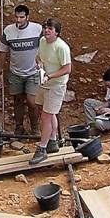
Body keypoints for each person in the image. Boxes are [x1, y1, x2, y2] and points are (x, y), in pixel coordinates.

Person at [0, 5, 43, 137]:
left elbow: (45, 46)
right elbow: (2, 51)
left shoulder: (37, 29)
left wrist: (42, 63)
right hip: (15, 72)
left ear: (27, 17)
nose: (18, 20)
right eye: (16, 17)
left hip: (33, 72)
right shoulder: (9, 31)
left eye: (21, 17)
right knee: (17, 99)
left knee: (32, 102)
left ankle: (35, 128)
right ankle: (19, 127)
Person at [30, 18, 72, 165]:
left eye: (50, 29)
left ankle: (42, 148)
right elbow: (38, 57)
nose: (47, 31)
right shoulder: (42, 41)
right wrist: (40, 65)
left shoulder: (61, 48)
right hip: (44, 82)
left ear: (57, 33)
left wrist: (50, 76)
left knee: (45, 116)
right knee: (48, 112)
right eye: (46, 28)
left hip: (56, 85)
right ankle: (52, 141)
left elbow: (67, 69)